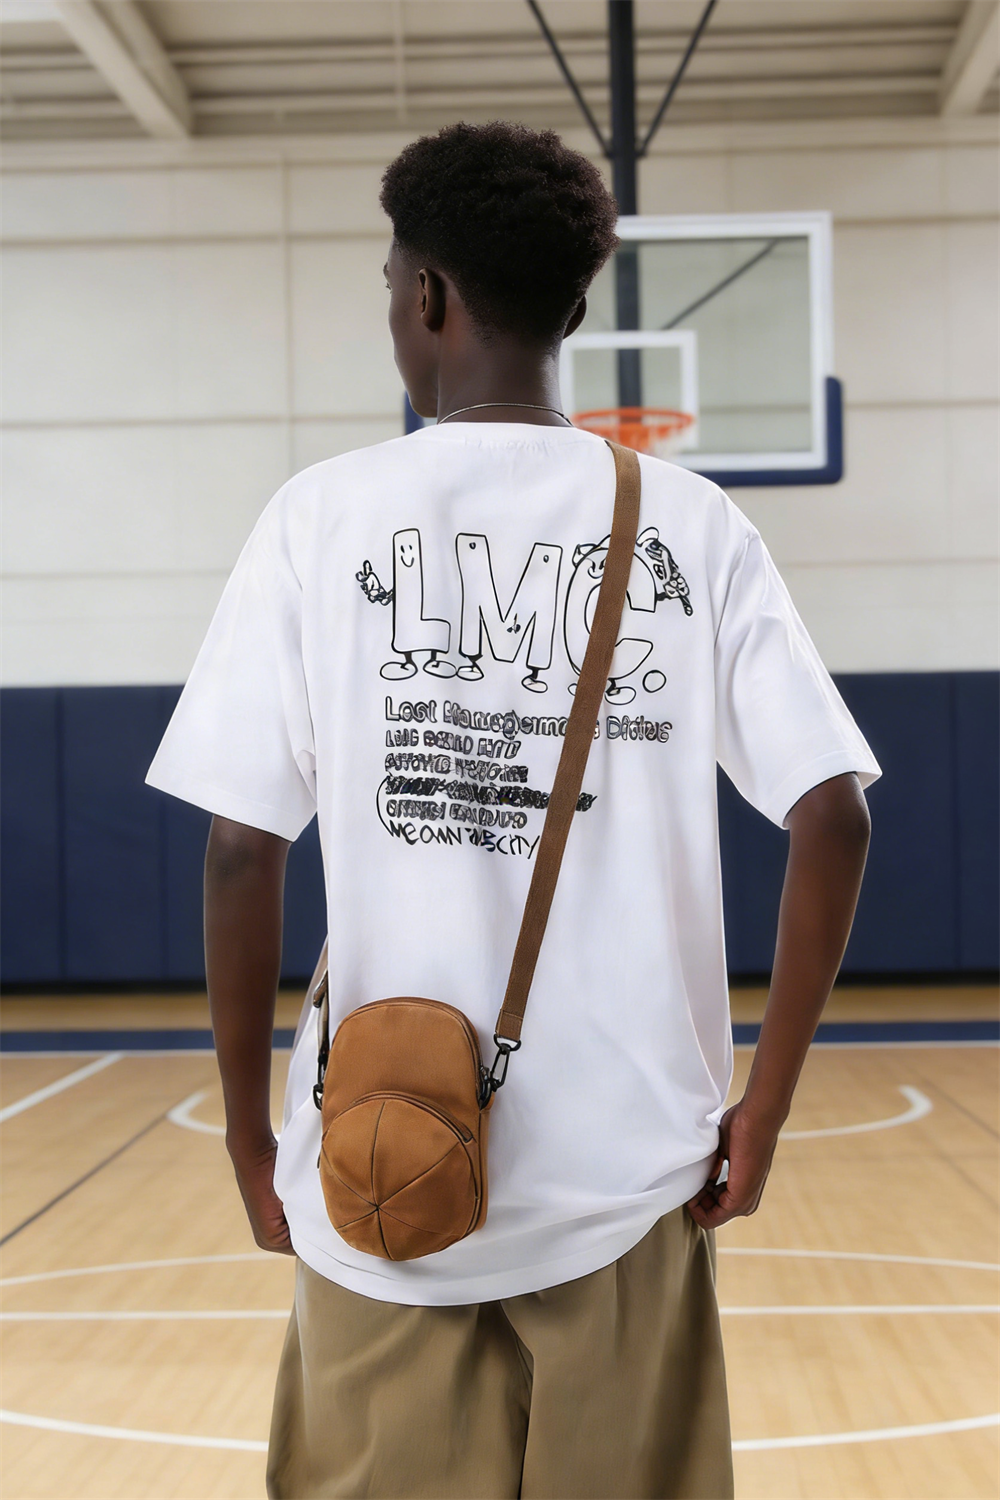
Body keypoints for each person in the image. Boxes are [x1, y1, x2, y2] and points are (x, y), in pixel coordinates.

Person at [146, 121, 880, 1500]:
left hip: (379, 1165)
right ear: (577, 308)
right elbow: (833, 814)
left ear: (426, 295)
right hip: (631, 1171)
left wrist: (253, 1134)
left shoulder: (321, 516)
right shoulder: (694, 523)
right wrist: (763, 1109)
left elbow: (245, 847)